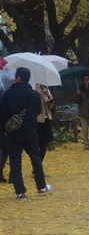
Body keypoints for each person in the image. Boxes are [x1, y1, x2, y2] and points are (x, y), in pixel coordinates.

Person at [0, 67, 51, 199]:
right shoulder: (34, 94)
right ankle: (41, 187)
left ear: (18, 78)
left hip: (13, 132)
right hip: (30, 131)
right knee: (35, 158)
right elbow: (38, 110)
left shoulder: (8, 94)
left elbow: (3, 113)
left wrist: (5, 129)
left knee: (15, 161)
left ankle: (20, 192)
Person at [35, 83, 54, 160]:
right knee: (38, 143)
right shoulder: (33, 90)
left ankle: (39, 163)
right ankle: (37, 164)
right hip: (38, 120)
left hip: (46, 119)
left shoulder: (45, 90)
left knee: (44, 143)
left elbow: (49, 107)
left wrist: (51, 101)